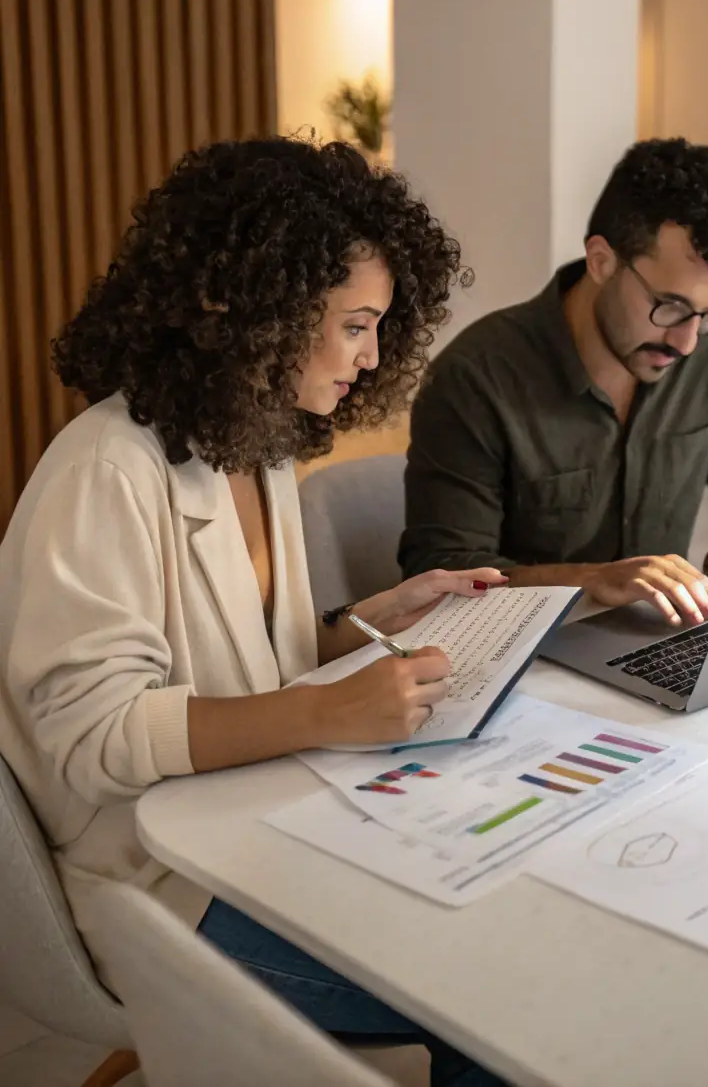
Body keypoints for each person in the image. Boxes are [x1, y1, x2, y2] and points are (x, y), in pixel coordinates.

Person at [0, 137, 508, 1087]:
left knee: (492, 919)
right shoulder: (104, 468)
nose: (369, 357)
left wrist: (368, 618)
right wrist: (329, 708)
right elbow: (93, 734)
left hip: (258, 820)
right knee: (482, 999)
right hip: (158, 879)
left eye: (379, 329)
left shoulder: (257, 444)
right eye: (356, 324)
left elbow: (243, 663)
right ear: (261, 308)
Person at [401, 137, 708, 626]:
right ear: (601, 261)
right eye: (670, 305)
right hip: (525, 660)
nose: (688, 341)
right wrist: (595, 581)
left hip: (655, 643)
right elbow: (442, 575)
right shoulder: (476, 379)